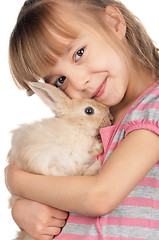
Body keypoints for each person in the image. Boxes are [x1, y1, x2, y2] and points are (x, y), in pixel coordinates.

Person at [5, 0, 159, 239]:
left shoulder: (152, 111)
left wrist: (15, 181)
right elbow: (54, 179)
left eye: (79, 53)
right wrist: (23, 209)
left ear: (114, 23)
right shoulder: (87, 120)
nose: (78, 83)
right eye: (60, 80)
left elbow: (100, 196)